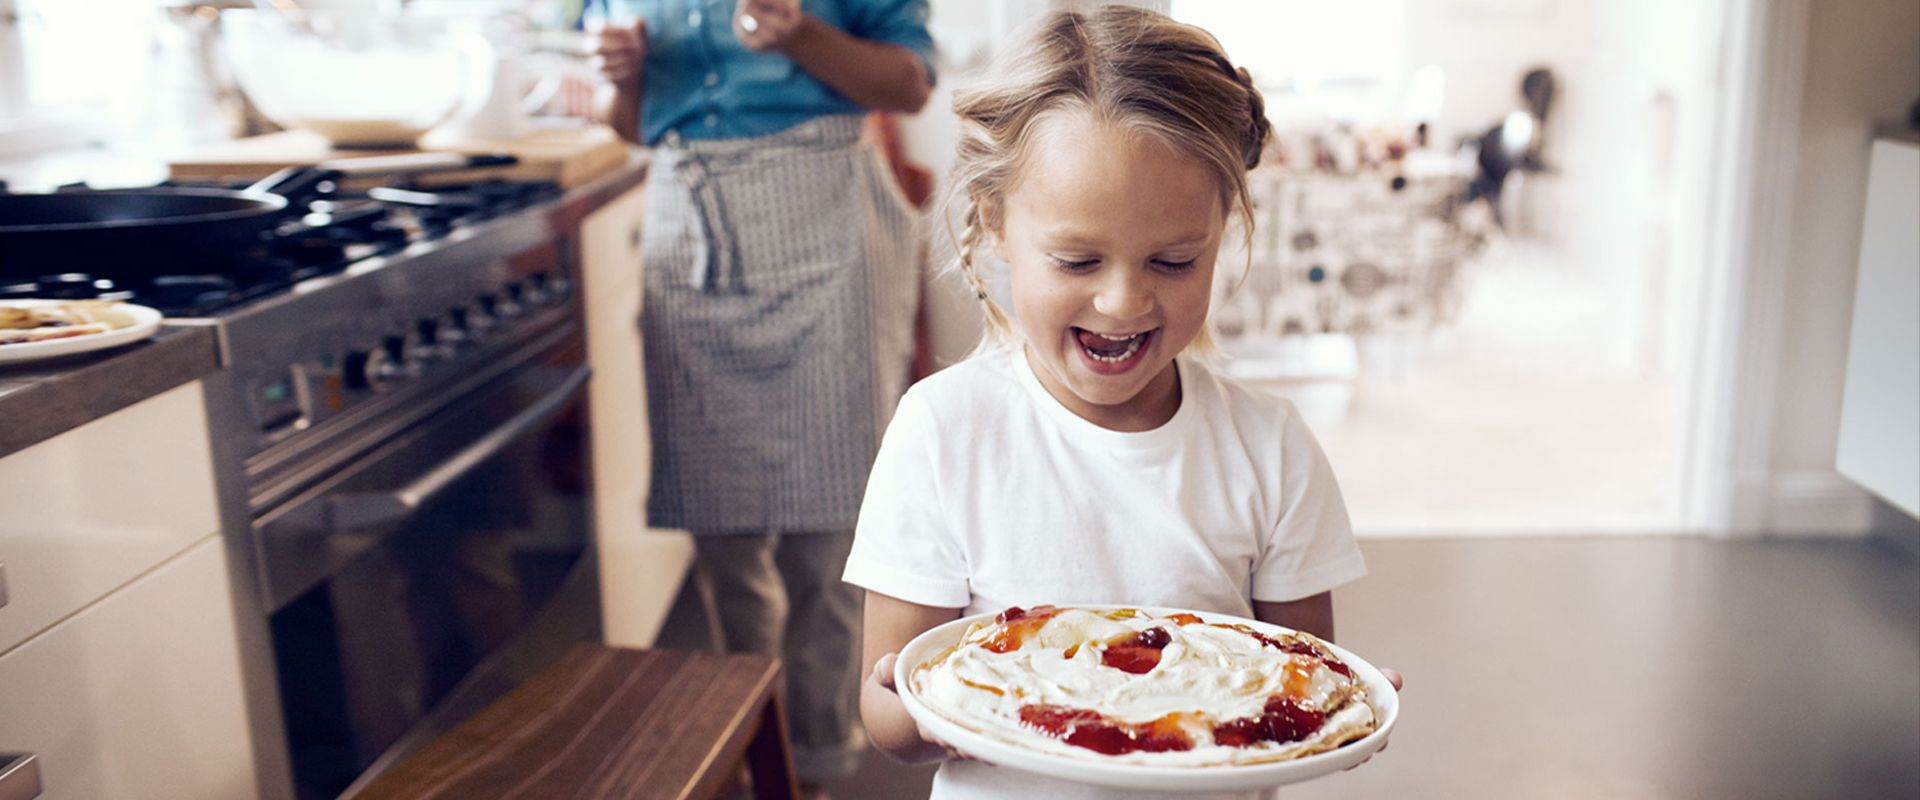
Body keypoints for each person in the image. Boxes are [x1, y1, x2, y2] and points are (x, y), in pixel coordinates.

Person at [844, 7, 1400, 799]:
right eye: (1077, 258)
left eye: (1174, 261)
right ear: (995, 222)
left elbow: (1302, 681)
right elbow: (887, 713)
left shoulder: (1269, 449)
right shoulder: (944, 432)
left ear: (1224, 230)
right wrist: (934, 708)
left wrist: (1346, 711)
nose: (1122, 300)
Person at [590, 0, 935, 794]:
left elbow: (910, 85)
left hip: (827, 218)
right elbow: (635, 125)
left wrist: (800, 33)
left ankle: (812, 761)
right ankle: (756, 750)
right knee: (721, 523)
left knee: (826, 530)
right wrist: (624, 79)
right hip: (693, 225)